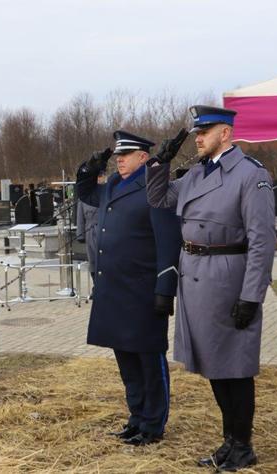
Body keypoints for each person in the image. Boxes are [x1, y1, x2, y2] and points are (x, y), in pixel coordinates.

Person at [146, 105, 276, 471]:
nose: (198, 138)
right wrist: (160, 163)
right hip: (196, 280)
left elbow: (262, 241)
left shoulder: (251, 176)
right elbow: (159, 199)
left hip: (228, 280)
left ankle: (242, 445)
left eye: (205, 131)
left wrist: (252, 295)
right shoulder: (197, 174)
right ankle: (230, 443)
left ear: (226, 134)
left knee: (235, 368)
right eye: (196, 132)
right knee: (216, 368)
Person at [77, 130, 182, 446]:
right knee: (126, 361)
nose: (119, 159)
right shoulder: (111, 186)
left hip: (142, 290)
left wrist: (166, 286)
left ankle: (153, 423)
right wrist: (90, 167)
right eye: (117, 155)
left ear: (143, 157)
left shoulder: (153, 187)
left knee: (149, 361)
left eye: (127, 154)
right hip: (115, 291)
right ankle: (136, 418)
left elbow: (168, 239)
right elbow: (84, 193)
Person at [76, 171, 104, 282]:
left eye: (100, 176)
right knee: (92, 261)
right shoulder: (84, 197)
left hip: (104, 231)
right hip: (90, 232)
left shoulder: (106, 193)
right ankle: (95, 286)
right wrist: (80, 234)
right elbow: (80, 217)